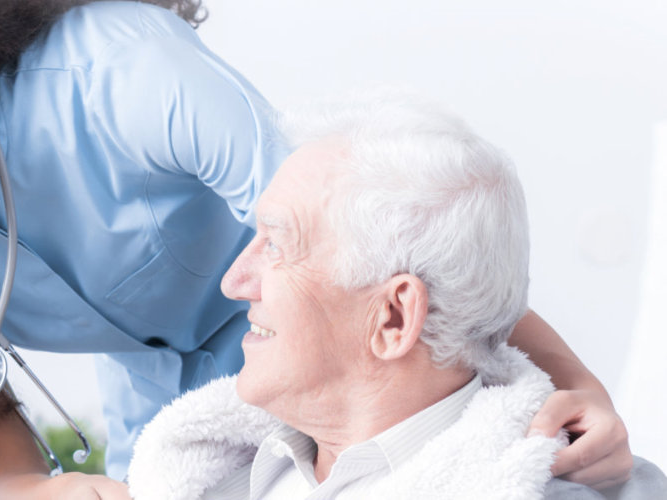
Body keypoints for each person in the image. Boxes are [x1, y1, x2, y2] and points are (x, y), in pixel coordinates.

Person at [0, 0, 632, 497]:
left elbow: (385, 234)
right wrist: (33, 491)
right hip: (179, 419)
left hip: (343, 352)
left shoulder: (118, 72)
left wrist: (574, 380)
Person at [125, 93, 666, 499]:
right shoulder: (202, 474)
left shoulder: (567, 490)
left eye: (278, 244)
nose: (234, 282)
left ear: (391, 317)